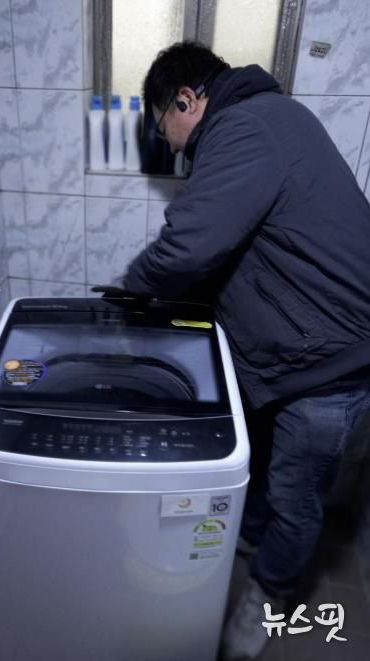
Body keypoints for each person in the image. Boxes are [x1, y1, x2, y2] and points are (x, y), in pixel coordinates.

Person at [109, 42, 370, 660]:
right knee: (258, 468)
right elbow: (245, 246)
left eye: (163, 127)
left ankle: (268, 597)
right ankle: (248, 544)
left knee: (294, 498)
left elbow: (191, 245)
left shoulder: (246, 128)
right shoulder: (268, 121)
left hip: (329, 364)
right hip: (290, 351)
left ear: (187, 100)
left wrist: (128, 293)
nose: (170, 146)